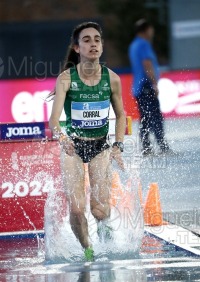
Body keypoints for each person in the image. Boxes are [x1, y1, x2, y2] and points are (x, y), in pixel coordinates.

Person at [49, 22, 126, 261]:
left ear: (102, 47)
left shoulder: (112, 79)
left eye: (97, 40)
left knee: (99, 210)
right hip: (73, 146)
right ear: (77, 47)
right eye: (86, 40)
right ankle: (87, 250)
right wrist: (62, 139)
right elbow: (53, 120)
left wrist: (118, 145)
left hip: (100, 147)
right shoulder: (65, 79)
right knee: (76, 209)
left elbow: (122, 115)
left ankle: (105, 232)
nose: (93, 44)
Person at [129, 19, 171, 155]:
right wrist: (154, 83)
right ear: (146, 30)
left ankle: (146, 147)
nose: (152, 32)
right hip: (146, 86)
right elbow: (147, 64)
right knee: (156, 117)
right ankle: (162, 146)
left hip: (138, 87)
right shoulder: (144, 44)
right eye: (151, 29)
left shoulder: (134, 45)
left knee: (145, 119)